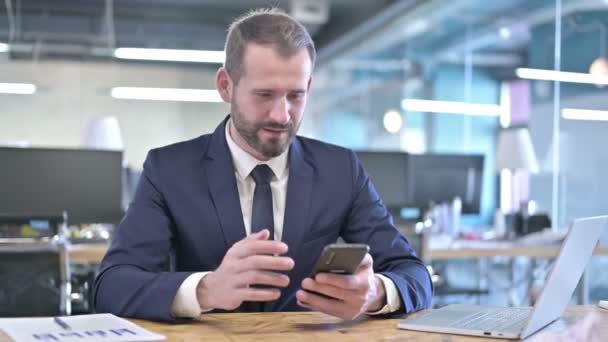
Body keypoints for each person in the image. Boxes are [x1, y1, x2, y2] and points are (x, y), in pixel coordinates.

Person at [94, 8, 432, 322]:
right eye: (265, 95)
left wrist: (374, 292)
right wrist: (206, 289)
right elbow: (111, 285)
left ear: (309, 87)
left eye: (295, 96)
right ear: (226, 85)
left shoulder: (341, 169)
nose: (281, 115)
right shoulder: (169, 170)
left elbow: (415, 275)